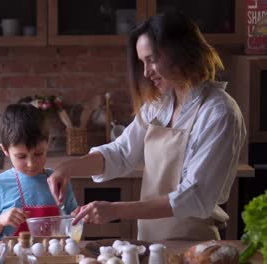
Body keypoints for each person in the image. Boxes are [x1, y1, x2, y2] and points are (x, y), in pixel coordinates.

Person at [47, 12, 246, 241]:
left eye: (151, 59)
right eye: (142, 62)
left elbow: (194, 197)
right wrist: (68, 168)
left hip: (193, 245)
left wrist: (116, 210)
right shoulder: (159, 106)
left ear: (180, 52)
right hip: (150, 241)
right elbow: (121, 152)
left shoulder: (219, 113)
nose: (145, 72)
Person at [0, 103, 78, 241]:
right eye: (21, 156)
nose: (31, 164)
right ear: (5, 150)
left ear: (47, 144)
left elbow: (75, 227)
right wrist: (0, 221)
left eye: (39, 154)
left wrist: (80, 218)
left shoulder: (59, 180)